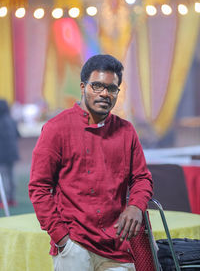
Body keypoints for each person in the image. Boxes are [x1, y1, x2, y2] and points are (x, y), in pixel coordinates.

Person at [29, 54, 153, 271]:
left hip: (117, 245)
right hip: (75, 245)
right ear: (83, 87)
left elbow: (142, 178)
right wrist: (62, 239)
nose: (105, 93)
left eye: (112, 89)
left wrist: (135, 206)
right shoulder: (56, 129)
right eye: (97, 86)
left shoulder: (126, 131)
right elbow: (39, 188)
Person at [0, 99, 20, 207]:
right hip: (12, 153)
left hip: (2, 154)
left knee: (3, 178)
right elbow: (18, 135)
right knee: (11, 176)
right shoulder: (12, 120)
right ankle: (12, 199)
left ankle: (5, 200)